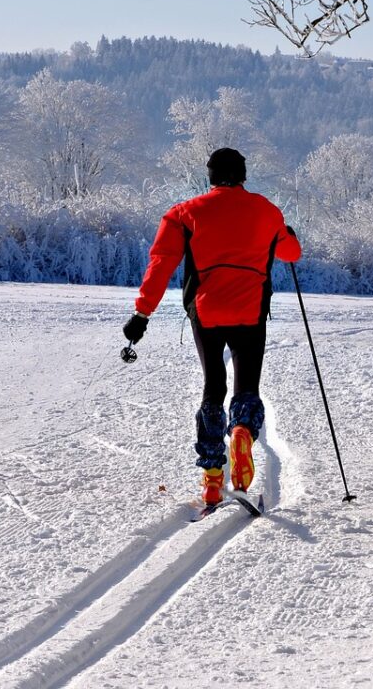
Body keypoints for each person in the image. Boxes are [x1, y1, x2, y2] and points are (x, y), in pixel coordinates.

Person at [122, 147, 301, 505]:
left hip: (205, 311)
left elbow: (161, 263)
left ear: (211, 176)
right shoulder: (267, 211)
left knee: (213, 386)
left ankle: (212, 478)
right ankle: (242, 431)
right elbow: (291, 253)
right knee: (246, 386)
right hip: (250, 309)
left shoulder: (184, 213)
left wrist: (142, 314)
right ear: (243, 176)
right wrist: (289, 235)